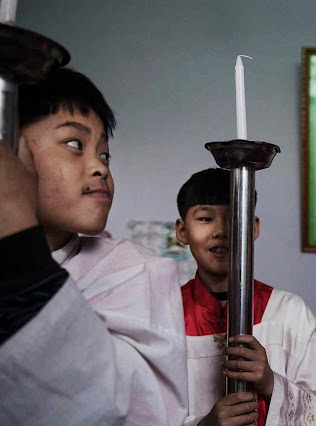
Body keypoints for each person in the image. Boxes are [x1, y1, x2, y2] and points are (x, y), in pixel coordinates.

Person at [0, 68, 188, 424]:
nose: (99, 167)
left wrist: (19, 247)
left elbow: (136, 410)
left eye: (105, 155)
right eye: (75, 144)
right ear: (10, 151)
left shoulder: (135, 271)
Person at [175, 168, 316, 426]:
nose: (221, 230)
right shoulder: (165, 314)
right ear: (182, 231)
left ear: (253, 227)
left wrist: (270, 382)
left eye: (233, 217)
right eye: (205, 219)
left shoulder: (289, 313)